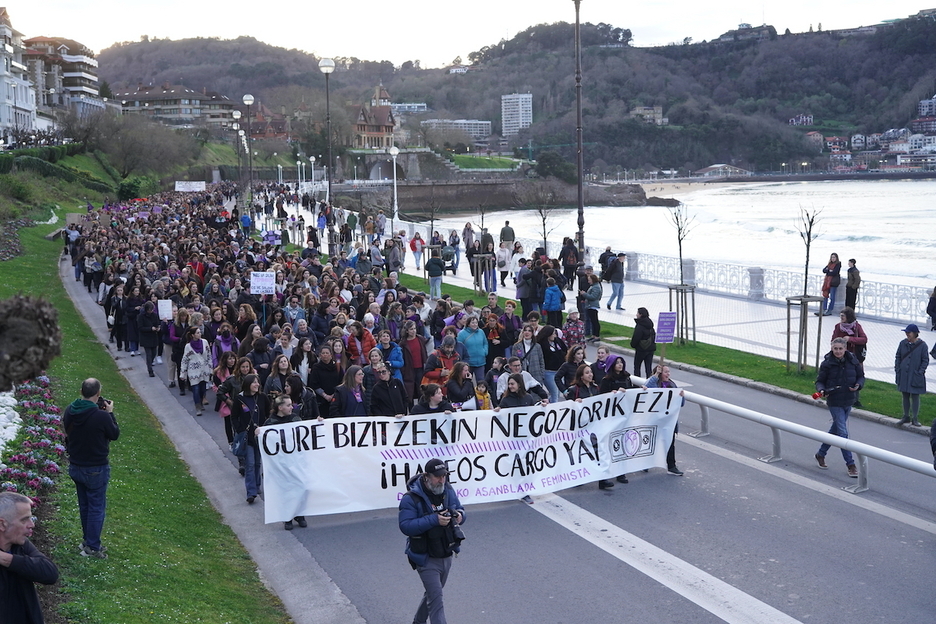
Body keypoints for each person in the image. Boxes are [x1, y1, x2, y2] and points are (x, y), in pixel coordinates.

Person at [398, 458, 465, 624]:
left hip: (446, 552)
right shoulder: (411, 498)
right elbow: (406, 526)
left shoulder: (448, 490)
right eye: (437, 477)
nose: (442, 480)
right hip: (425, 557)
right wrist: (434, 520)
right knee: (437, 600)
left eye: (444, 476)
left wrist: (460, 516)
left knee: (433, 594)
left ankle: (418, 622)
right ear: (427, 476)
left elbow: (460, 510)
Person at [63, 378, 120, 558]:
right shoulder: (101, 416)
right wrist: (110, 413)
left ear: (81, 392)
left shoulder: (70, 410)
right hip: (96, 467)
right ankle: (93, 546)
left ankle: (88, 541)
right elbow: (114, 434)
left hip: (76, 465)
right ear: (98, 393)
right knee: (96, 507)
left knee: (85, 506)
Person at [0, 492, 59, 623]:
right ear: (2, 524)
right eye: (24, 519)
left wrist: (6, 559)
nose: (31, 524)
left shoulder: (20, 545)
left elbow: (50, 573)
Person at [814, 337, 865, 477]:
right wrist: (822, 390)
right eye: (835, 348)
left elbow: (861, 377)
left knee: (835, 429)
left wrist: (858, 385)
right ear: (832, 348)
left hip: (848, 400)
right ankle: (851, 464)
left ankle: (821, 453)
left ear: (845, 348)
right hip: (834, 401)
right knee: (843, 433)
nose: (838, 351)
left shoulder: (853, 361)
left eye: (840, 349)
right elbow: (820, 381)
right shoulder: (827, 364)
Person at [263, 395, 308, 531]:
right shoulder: (270, 423)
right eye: (288, 405)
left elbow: (305, 432)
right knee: (285, 489)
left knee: (300, 486)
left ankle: (299, 514)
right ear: (280, 407)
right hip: (280, 463)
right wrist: (259, 433)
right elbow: (264, 439)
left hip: (295, 461)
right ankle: (287, 517)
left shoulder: (295, 418)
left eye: (291, 405)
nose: (291, 407)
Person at [233, 374, 270, 504]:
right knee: (250, 464)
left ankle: (257, 486)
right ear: (248, 384)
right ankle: (251, 492)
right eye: (254, 383)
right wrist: (240, 430)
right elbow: (234, 417)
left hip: (259, 436)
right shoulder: (240, 399)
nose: (257, 385)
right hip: (247, 437)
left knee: (258, 463)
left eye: (258, 382)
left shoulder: (262, 397)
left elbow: (268, 413)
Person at [646, 365, 686, 477]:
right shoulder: (655, 383)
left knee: (670, 443)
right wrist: (655, 376)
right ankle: (645, 463)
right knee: (652, 443)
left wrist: (682, 396)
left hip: (669, 422)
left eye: (669, 372)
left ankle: (672, 466)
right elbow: (646, 387)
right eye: (665, 372)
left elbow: (681, 404)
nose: (668, 374)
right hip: (655, 421)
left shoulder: (673, 385)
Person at [831, 307, 868, 407]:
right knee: (842, 377)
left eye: (843, 315)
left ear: (849, 317)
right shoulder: (838, 327)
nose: (841, 317)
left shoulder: (856, 326)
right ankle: (841, 397)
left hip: (855, 357)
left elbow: (864, 339)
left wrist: (850, 339)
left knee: (856, 377)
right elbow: (833, 340)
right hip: (841, 356)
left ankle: (855, 399)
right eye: (841, 315)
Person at [894, 324, 929, 426]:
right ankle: (905, 416)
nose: (907, 334)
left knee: (915, 396)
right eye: (906, 332)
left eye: (909, 332)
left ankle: (915, 418)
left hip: (915, 375)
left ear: (915, 333)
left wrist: (920, 372)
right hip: (904, 374)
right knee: (905, 395)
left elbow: (925, 360)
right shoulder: (902, 343)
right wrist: (898, 369)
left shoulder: (922, 345)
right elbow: (898, 356)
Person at [180, 326, 213, 416]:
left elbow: (209, 355)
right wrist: (183, 373)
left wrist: (210, 368)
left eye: (199, 332)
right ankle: (197, 406)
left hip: (204, 370)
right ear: (192, 335)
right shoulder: (188, 346)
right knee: (195, 389)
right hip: (193, 371)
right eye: (197, 333)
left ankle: (201, 401)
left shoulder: (205, 342)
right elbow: (185, 360)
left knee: (203, 388)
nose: (200, 334)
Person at [631, 307, 656, 377]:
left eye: (637, 313)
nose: (636, 315)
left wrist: (633, 345)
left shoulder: (640, 325)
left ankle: (637, 384)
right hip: (650, 349)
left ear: (641, 314)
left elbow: (636, 337)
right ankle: (650, 383)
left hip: (641, 349)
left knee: (637, 367)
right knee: (648, 368)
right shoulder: (650, 324)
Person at [582, 274, 603, 342]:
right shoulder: (594, 286)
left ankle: (596, 336)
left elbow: (593, 297)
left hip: (593, 306)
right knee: (593, 321)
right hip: (590, 305)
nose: (588, 281)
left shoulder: (596, 287)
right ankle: (594, 335)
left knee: (595, 321)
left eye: (589, 280)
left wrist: (584, 294)